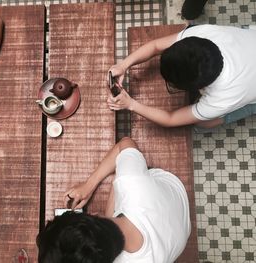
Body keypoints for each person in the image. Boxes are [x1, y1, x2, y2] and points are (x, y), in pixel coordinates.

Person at [37, 137, 191, 263]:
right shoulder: (131, 183)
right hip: (174, 196)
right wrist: (89, 185)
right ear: (94, 214)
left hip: (178, 238)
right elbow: (125, 143)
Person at [108, 23, 256, 129]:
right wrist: (123, 65)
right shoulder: (200, 35)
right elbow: (155, 47)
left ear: (200, 87)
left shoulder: (221, 100)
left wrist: (131, 104)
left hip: (246, 88)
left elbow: (171, 119)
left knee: (202, 122)